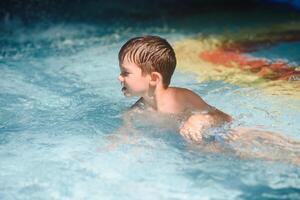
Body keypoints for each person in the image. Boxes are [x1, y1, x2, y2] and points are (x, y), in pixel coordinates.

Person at [116, 35, 300, 164]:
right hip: (205, 146)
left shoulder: (181, 97)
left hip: (226, 133)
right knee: (246, 156)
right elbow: (123, 136)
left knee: (260, 143)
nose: (120, 77)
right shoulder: (135, 112)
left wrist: (198, 119)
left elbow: (224, 117)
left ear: (154, 78)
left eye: (126, 73)